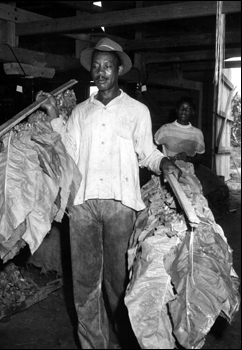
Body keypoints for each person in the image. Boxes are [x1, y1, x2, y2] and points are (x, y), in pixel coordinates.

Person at [36, 37, 181, 349]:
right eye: (96, 66)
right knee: (85, 286)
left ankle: (125, 343)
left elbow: (148, 153)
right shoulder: (79, 112)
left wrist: (165, 162)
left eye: (107, 66)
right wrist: (52, 115)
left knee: (119, 285)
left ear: (119, 70)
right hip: (82, 206)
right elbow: (68, 150)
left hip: (120, 207)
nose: (100, 72)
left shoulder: (136, 110)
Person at [154, 96, 229, 218]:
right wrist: (164, 159)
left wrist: (187, 158)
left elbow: (200, 159)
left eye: (188, 109)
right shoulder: (165, 129)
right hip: (167, 171)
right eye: (182, 108)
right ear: (176, 110)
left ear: (193, 112)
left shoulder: (196, 133)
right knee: (164, 203)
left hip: (187, 172)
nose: (184, 111)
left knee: (194, 199)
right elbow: (154, 150)